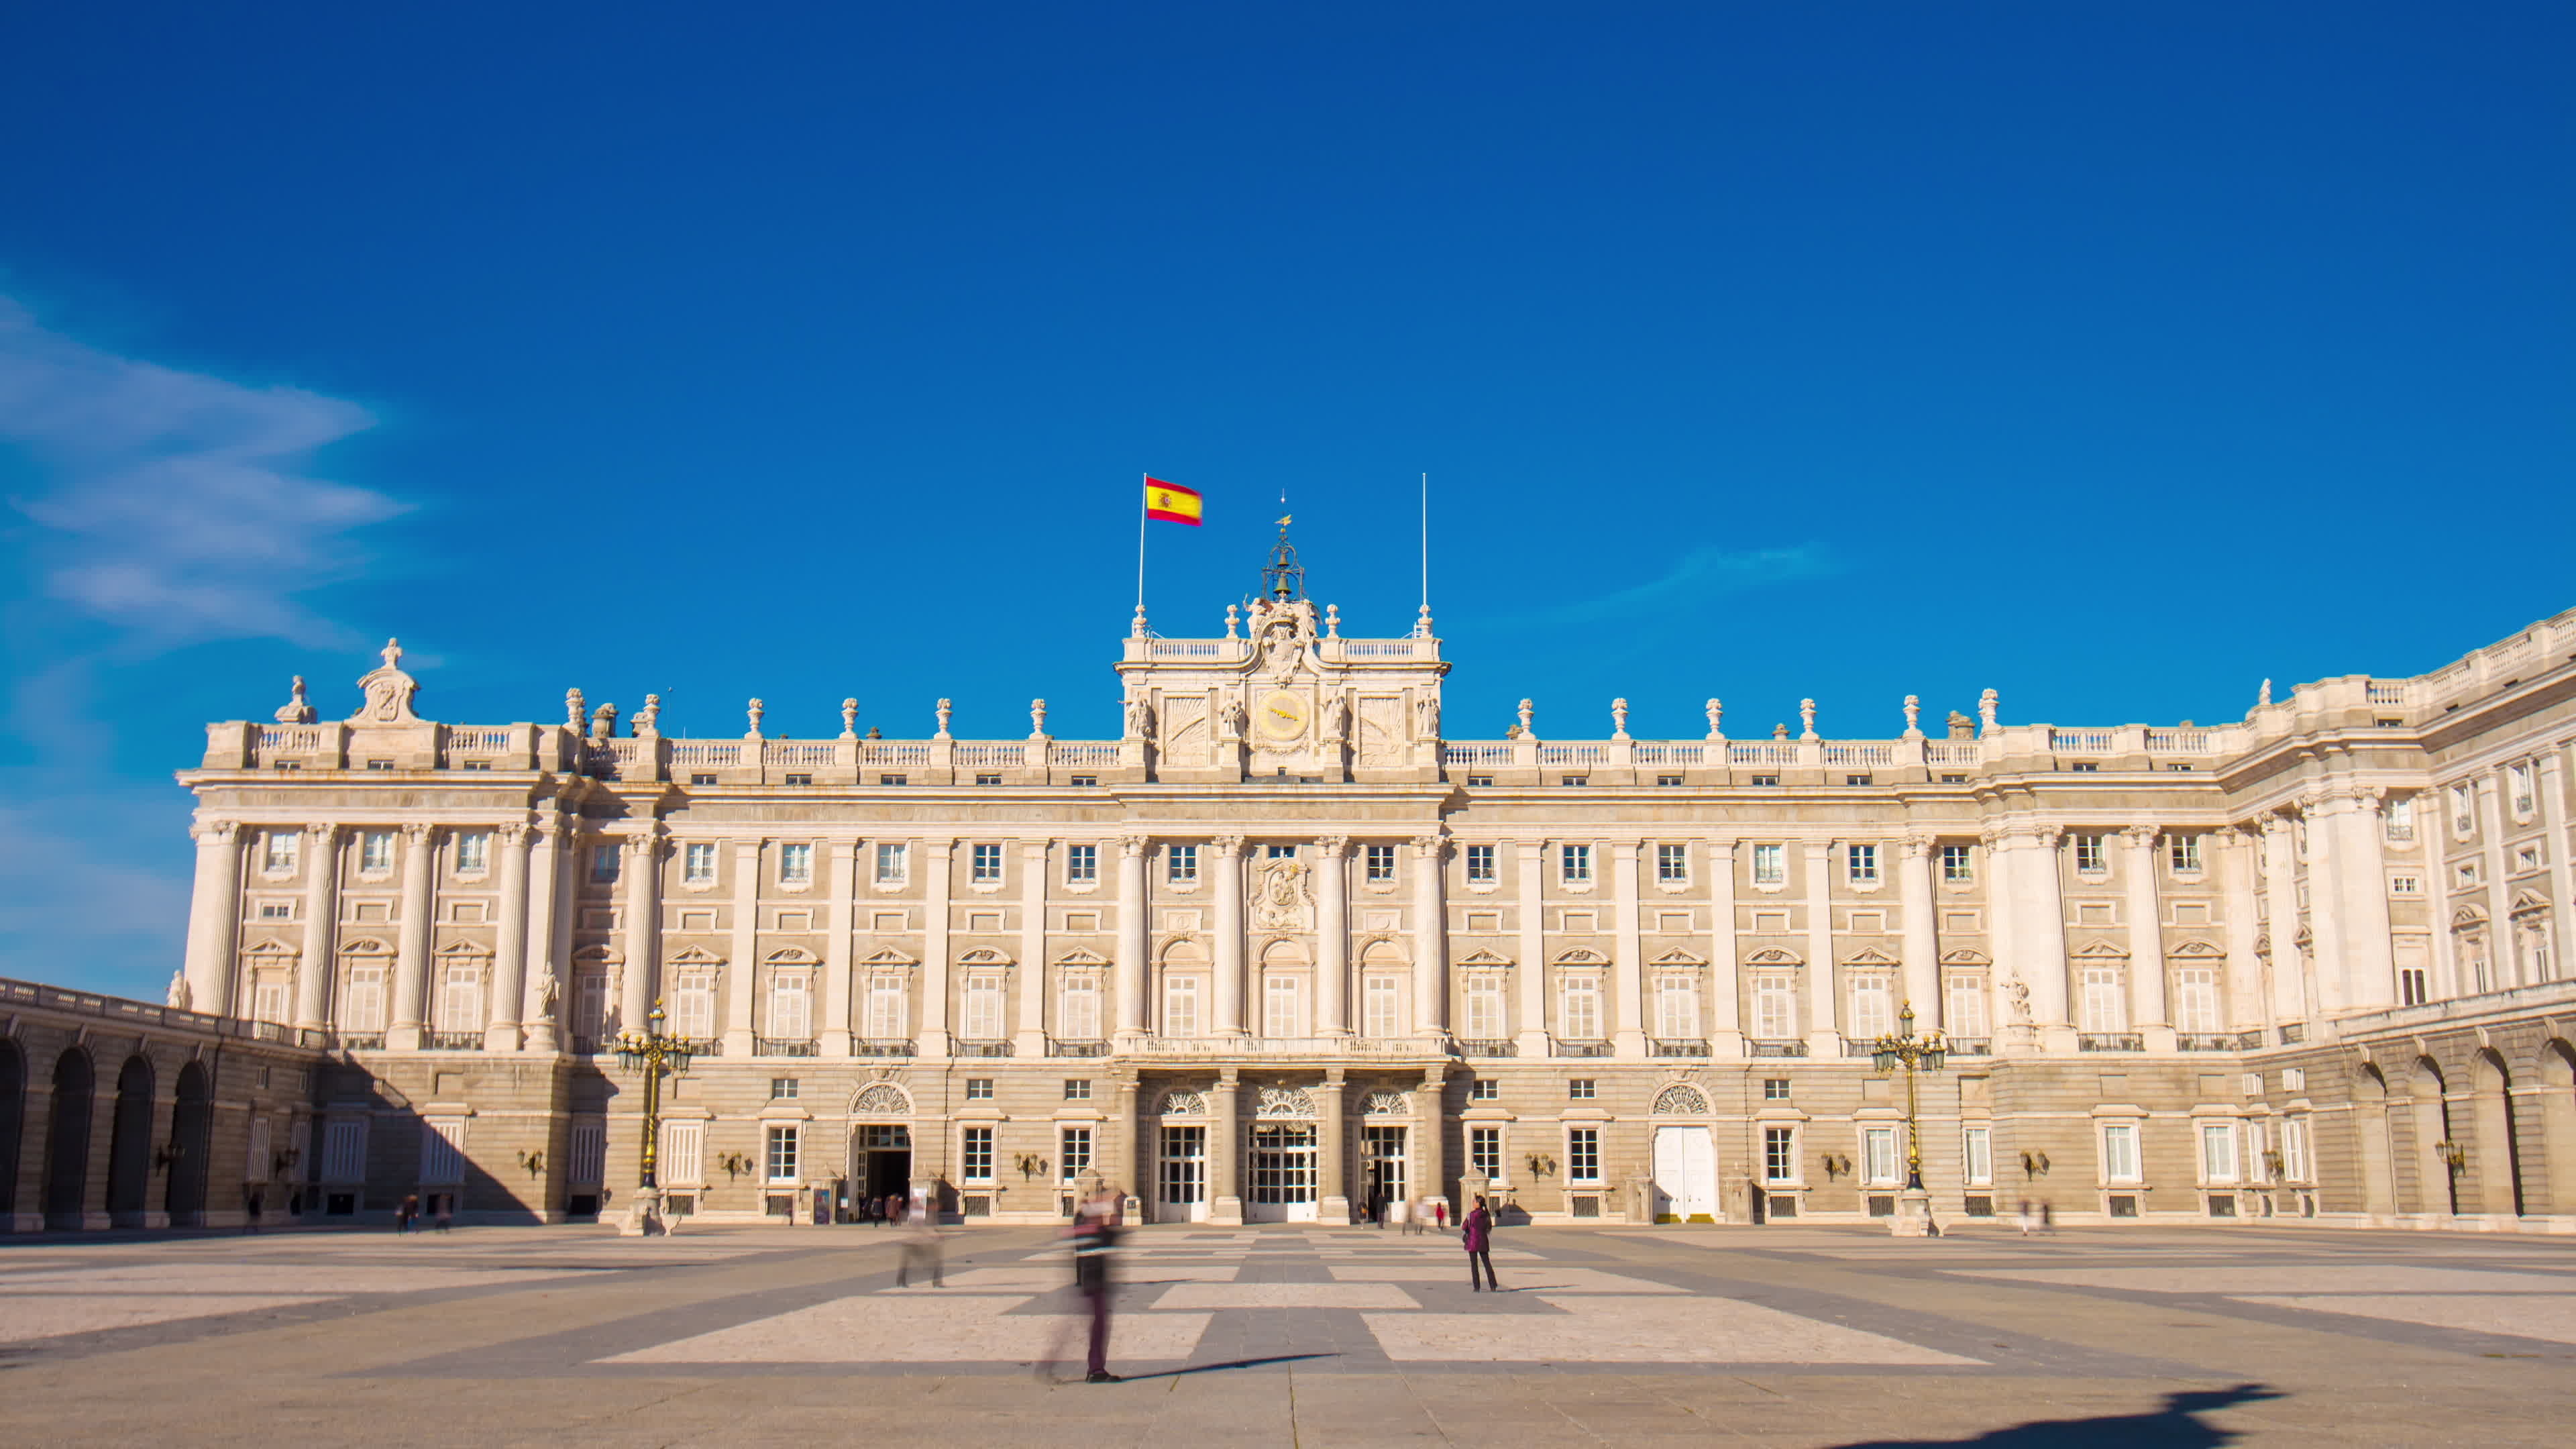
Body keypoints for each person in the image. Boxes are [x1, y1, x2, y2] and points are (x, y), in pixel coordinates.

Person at [1069, 1188, 1123, 1383]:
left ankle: (1096, 1368)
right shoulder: (1095, 1232)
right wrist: (1115, 1210)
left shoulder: (1087, 1230)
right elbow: (1113, 1236)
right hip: (1095, 1285)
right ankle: (1095, 1369)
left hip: (1091, 1284)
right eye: (1100, 1215)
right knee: (1098, 1327)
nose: (1103, 1217)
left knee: (1097, 1326)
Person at [896, 1190, 943, 1288]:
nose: (938, 1207)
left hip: (918, 1242)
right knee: (935, 1261)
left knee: (908, 1262)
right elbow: (918, 1226)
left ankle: (901, 1281)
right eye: (936, 1205)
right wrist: (932, 1235)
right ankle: (936, 1282)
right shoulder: (920, 1213)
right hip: (916, 1242)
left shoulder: (928, 1213)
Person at [1463, 1194, 1499, 1291]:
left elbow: (1464, 1226)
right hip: (1483, 1241)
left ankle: (1477, 1287)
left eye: (1474, 1201)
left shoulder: (1472, 1215)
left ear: (1478, 1203)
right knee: (1487, 1264)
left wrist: (1467, 1219)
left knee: (1474, 1265)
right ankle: (1493, 1285)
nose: (1473, 1203)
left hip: (1473, 1242)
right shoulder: (1486, 1214)